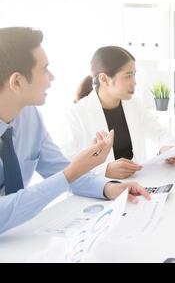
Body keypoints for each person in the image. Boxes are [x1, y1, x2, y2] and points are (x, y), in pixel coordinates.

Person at [0, 27, 151, 235]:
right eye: (45, 69)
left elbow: (59, 168)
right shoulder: (75, 113)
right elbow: (67, 174)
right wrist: (72, 172)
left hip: (19, 239)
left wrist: (109, 188)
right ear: (17, 82)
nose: (51, 77)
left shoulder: (30, 117)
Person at [55, 46, 175, 180]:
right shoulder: (75, 114)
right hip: (96, 191)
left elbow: (160, 133)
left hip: (135, 183)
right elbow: (66, 166)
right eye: (128, 76)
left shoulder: (135, 105)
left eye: (134, 74)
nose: (134, 82)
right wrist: (105, 170)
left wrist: (167, 148)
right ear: (104, 79)